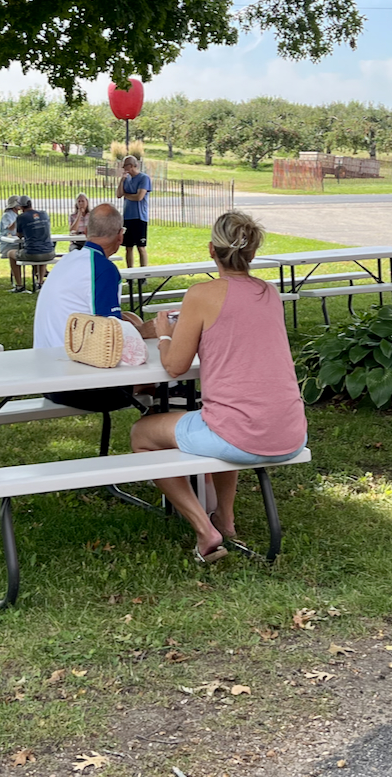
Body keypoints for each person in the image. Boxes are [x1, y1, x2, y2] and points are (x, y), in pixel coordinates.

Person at [129, 210, 307, 563]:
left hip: (238, 433)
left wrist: (165, 333)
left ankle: (204, 529)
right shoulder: (269, 293)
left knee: (141, 435)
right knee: (231, 416)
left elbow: (175, 366)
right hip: (289, 432)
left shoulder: (201, 295)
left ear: (211, 250)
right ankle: (225, 518)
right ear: (252, 254)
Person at [33, 202, 156, 412]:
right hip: (79, 385)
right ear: (121, 236)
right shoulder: (104, 269)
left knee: (131, 320)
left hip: (46, 374)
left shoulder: (67, 260)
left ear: (87, 231)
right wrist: (149, 330)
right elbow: (112, 336)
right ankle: (159, 432)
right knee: (160, 377)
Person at [10, 196, 56, 293]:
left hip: (32, 253)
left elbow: (19, 235)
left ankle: (19, 285)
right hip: (50, 253)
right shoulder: (44, 214)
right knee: (42, 250)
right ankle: (40, 283)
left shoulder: (21, 217)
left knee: (10, 253)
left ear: (21, 207)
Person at [117, 155, 151, 267]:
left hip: (139, 217)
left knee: (140, 247)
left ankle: (143, 274)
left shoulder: (143, 178)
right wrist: (122, 181)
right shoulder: (127, 179)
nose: (123, 167)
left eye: (125, 165)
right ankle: (130, 273)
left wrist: (126, 195)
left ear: (131, 165)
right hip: (127, 216)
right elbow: (119, 194)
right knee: (128, 247)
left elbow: (139, 197)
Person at [0, 194, 23, 292]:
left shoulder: (17, 215)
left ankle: (39, 277)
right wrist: (18, 219)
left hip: (17, 242)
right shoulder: (7, 215)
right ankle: (19, 283)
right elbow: (10, 228)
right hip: (9, 244)